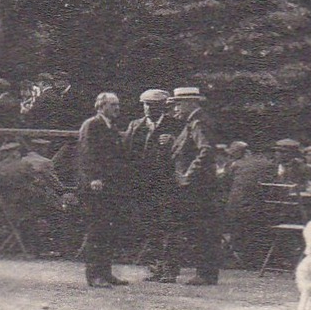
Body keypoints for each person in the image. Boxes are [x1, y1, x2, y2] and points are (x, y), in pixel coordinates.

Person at [167, 86, 221, 285]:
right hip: (200, 185)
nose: (175, 110)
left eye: (178, 104)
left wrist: (188, 175)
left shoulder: (197, 122)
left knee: (201, 228)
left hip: (198, 186)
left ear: (191, 103)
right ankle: (205, 272)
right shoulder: (194, 122)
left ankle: (205, 273)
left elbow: (205, 150)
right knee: (200, 228)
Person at [125, 88, 178, 281]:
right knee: (149, 225)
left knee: (168, 225)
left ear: (163, 107)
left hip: (166, 184)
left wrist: (173, 141)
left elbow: (186, 151)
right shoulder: (135, 126)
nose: (149, 109)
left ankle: (170, 268)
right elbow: (127, 154)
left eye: (154, 105)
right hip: (142, 185)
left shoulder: (175, 126)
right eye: (146, 105)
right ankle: (155, 267)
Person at [78, 91, 129, 287]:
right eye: (112, 105)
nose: (117, 108)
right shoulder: (92, 125)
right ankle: (94, 275)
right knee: (96, 230)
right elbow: (86, 154)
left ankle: (106, 272)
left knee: (109, 229)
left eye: (118, 105)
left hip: (110, 186)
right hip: (95, 186)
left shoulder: (112, 127)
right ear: (101, 106)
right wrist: (93, 178)